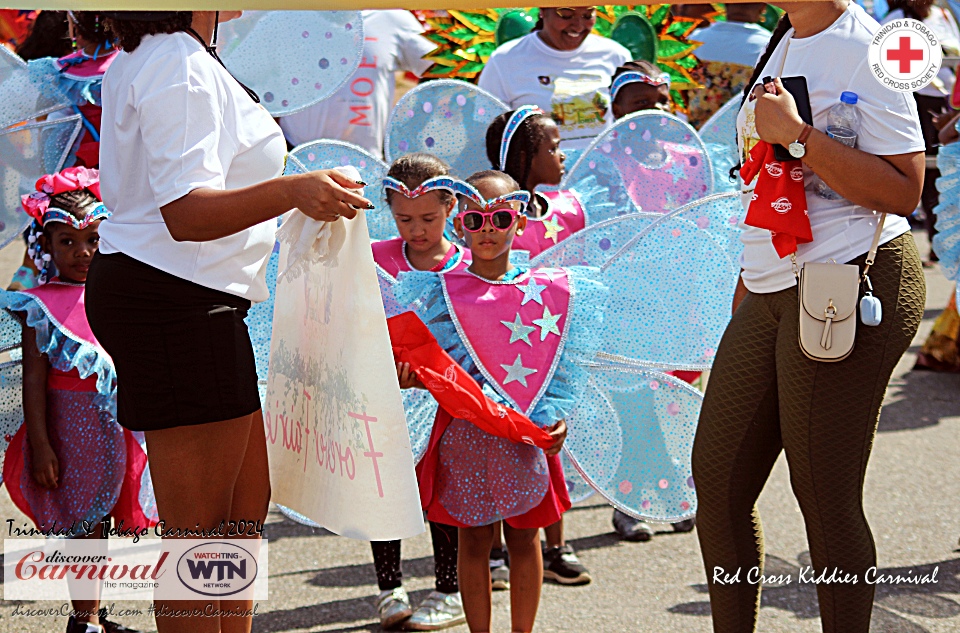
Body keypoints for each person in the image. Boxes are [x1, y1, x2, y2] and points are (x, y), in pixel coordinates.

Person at [86, 11, 372, 633]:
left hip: (185, 294)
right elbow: (186, 212)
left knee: (242, 512)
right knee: (196, 536)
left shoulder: (171, 52)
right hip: (175, 298)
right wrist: (293, 191)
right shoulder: (175, 58)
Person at [692, 2, 926, 632]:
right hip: (770, 285)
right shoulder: (786, 35)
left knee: (824, 496)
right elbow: (766, 175)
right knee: (717, 484)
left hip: (848, 279)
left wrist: (800, 136)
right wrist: (750, 280)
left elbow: (905, 189)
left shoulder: (869, 46)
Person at [396, 169, 605, 631]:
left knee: (525, 537)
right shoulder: (439, 292)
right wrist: (414, 379)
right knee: (473, 541)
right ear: (459, 224)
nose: (487, 229)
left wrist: (556, 418)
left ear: (521, 222)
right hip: (464, 437)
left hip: (523, 436)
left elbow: (558, 367)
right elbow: (435, 366)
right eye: (475, 219)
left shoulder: (550, 292)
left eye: (501, 218)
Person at [0, 167, 153, 633]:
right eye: (67, 241)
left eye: (92, 240)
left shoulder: (116, 292)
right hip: (68, 432)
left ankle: (92, 615)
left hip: (115, 427)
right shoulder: (39, 305)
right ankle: (83, 620)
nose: (82, 252)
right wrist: (41, 445)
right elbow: (33, 380)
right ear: (45, 246)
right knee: (81, 523)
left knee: (101, 520)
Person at [369, 153, 467, 631]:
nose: (416, 230)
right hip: (385, 396)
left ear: (451, 206)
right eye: (404, 219)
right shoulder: (372, 259)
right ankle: (388, 588)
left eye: (429, 218)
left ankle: (449, 589)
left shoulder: (466, 264)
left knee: (443, 493)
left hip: (447, 402)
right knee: (384, 489)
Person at [604, 61, 699, 542]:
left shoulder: (692, 158)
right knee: (634, 405)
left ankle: (674, 490)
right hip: (627, 303)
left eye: (661, 102)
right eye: (641, 104)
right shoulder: (602, 163)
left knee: (672, 404)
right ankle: (630, 499)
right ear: (616, 109)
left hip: (681, 300)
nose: (654, 112)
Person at [279, 10, 434, 156]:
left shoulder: (391, 18)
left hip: (367, 161)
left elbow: (439, 68)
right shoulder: (290, 16)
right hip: (295, 156)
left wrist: (411, 124)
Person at [478, 6, 630, 150]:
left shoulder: (616, 56)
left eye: (587, 15)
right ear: (543, 11)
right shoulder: (504, 60)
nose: (578, 26)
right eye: (566, 15)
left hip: (606, 167)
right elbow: (485, 128)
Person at [881, 0, 960, 263]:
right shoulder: (896, 18)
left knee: (947, 173)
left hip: (948, 101)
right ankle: (936, 242)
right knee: (926, 173)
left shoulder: (942, 14)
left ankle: (947, 242)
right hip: (916, 100)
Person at [687, 3, 772, 127]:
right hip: (740, 134)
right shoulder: (769, 46)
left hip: (695, 132)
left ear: (725, 4)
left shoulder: (694, 39)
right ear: (762, 7)